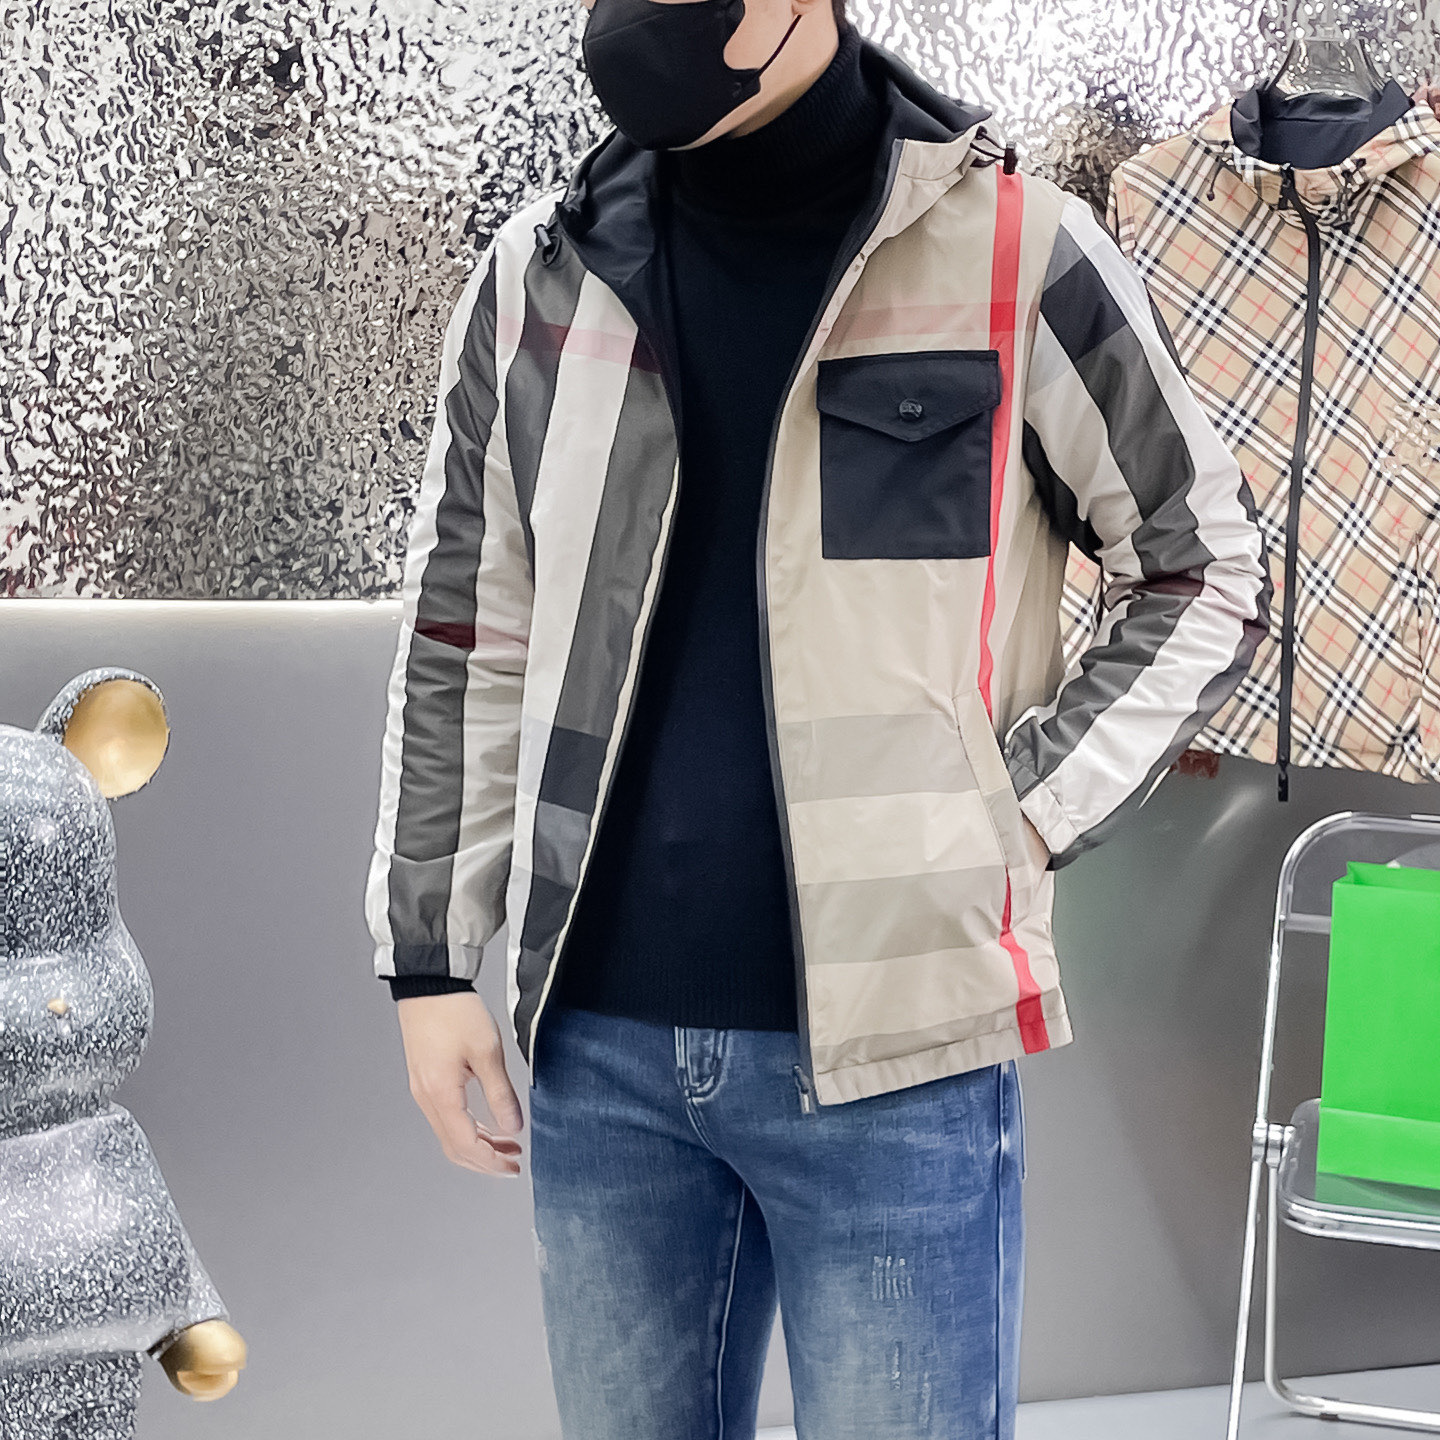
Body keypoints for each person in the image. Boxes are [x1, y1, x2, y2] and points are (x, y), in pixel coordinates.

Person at [364, 0, 1271, 1435]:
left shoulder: (1017, 255)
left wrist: (1019, 812)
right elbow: (465, 623)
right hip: (597, 1049)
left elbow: (1204, 564)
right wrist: (426, 963)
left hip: (900, 1056)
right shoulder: (547, 271)